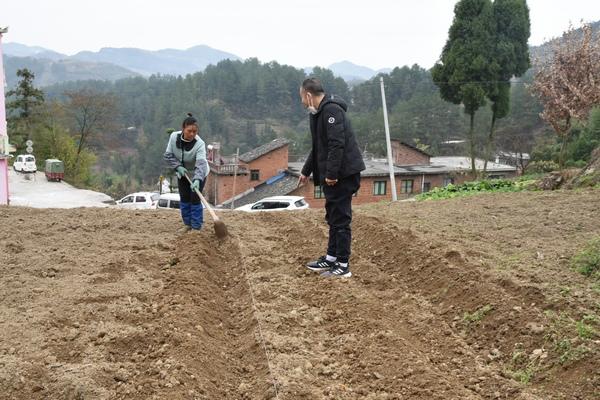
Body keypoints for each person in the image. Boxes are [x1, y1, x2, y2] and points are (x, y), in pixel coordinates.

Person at [298, 78, 366, 278]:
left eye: (301, 97)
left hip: (343, 175)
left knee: (341, 219)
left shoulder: (332, 112)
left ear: (308, 95)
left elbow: (337, 144)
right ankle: (330, 258)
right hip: (335, 174)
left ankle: (343, 265)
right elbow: (318, 147)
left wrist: (331, 174)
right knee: (333, 215)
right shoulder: (318, 114)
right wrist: (305, 171)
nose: (302, 102)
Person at [164, 113, 210, 232]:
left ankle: (196, 226)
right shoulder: (174, 137)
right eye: (189, 131)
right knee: (184, 198)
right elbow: (168, 155)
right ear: (183, 128)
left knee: (195, 198)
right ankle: (187, 224)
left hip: (198, 173)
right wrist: (178, 166)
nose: (192, 134)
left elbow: (201, 163)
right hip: (182, 173)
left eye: (195, 132)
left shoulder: (200, 144)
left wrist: (198, 179)